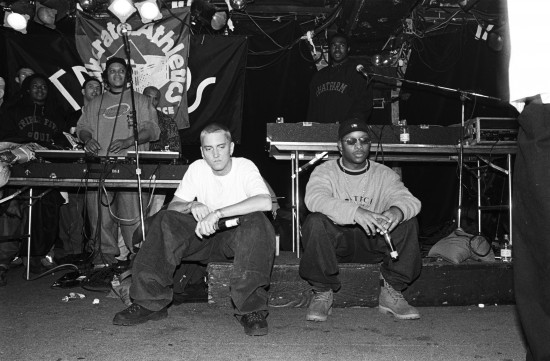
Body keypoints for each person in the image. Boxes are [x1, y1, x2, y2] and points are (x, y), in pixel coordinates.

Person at [113, 123, 276, 336]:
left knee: (257, 221)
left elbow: (265, 202)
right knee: (166, 219)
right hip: (204, 237)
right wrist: (191, 205)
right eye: (209, 149)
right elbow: (173, 207)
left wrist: (218, 213)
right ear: (202, 151)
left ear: (231, 148)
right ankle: (149, 302)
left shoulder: (244, 166)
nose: (216, 154)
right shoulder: (197, 168)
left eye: (221, 147)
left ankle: (251, 309)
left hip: (237, 239)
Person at [299, 117, 422, 322]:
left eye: (364, 140)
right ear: (340, 146)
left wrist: (396, 211)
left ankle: (392, 291)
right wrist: (356, 212)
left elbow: (409, 200)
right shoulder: (325, 171)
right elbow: (314, 199)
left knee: (408, 220)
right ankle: (322, 292)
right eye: (351, 141)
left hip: (374, 241)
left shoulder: (384, 173)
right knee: (315, 221)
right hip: (338, 243)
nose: (358, 146)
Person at [76, 57, 159, 268]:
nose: (117, 74)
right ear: (106, 76)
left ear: (128, 75)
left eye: (121, 71)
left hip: (130, 165)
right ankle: (104, 260)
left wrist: (129, 141)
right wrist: (87, 139)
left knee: (132, 217)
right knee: (100, 216)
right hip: (99, 166)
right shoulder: (95, 103)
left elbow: (152, 131)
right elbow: (82, 128)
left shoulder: (140, 101)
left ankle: (138, 260)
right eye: (112, 71)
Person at [55, 76, 103, 262]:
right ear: (83, 92)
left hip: (99, 170)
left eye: (98, 87)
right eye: (91, 86)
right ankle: (72, 253)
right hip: (74, 171)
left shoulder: (106, 115)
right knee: (72, 214)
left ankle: (96, 251)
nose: (95, 90)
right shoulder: (71, 116)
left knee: (98, 215)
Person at [306, 33, 373, 124]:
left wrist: (351, 125)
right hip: (322, 132)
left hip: (347, 131)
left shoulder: (357, 72)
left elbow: (364, 104)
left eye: (342, 45)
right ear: (329, 49)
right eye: (334, 45)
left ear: (348, 49)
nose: (337, 49)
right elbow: (312, 108)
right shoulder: (318, 76)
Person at [142, 86, 181, 216]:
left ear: (158, 101)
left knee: (153, 217)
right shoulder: (130, 119)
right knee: (130, 217)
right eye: (148, 97)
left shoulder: (167, 122)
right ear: (141, 98)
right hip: (132, 175)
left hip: (158, 177)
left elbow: (176, 152)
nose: (151, 101)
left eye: (155, 99)